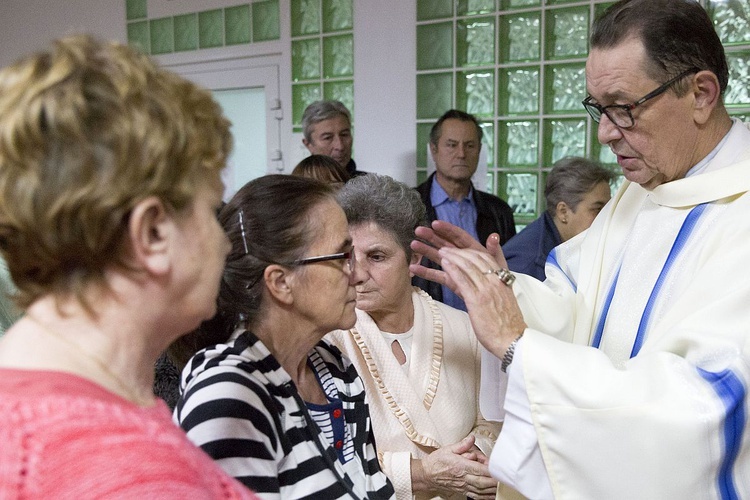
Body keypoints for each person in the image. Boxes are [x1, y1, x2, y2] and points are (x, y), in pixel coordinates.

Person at [410, 0, 750, 498]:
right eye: (598, 108)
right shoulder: (640, 194)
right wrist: (504, 289)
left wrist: (520, 349)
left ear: (700, 94)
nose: (605, 133)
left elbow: (706, 408)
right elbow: (575, 301)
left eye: (624, 108)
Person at [0, 36, 255, 498]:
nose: (223, 243)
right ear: (153, 233)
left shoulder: (42, 396)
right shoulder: (118, 470)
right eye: (211, 210)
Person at [172, 175, 395, 499]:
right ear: (281, 283)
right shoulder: (228, 399)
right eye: (341, 257)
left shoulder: (335, 371)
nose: (359, 274)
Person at [327, 174, 502, 500]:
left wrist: (472, 456)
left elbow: (493, 423)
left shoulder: (466, 328)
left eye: (376, 257)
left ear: (415, 258)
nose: (357, 273)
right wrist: (423, 475)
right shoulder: (328, 341)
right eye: (348, 256)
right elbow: (326, 457)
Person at [413, 109, 515, 311]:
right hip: (428, 324)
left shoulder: (498, 211)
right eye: (452, 145)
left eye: (470, 146)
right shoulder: (409, 205)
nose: (461, 154)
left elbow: (512, 271)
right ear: (434, 149)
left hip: (487, 324)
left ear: (479, 151)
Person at [502, 157, 614, 281]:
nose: (607, 217)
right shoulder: (528, 266)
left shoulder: (564, 250)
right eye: (598, 209)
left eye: (609, 208)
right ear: (563, 212)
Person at [301, 100, 366, 177]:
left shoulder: (371, 185)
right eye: (327, 138)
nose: (340, 146)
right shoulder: (296, 187)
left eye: (344, 135)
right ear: (308, 144)